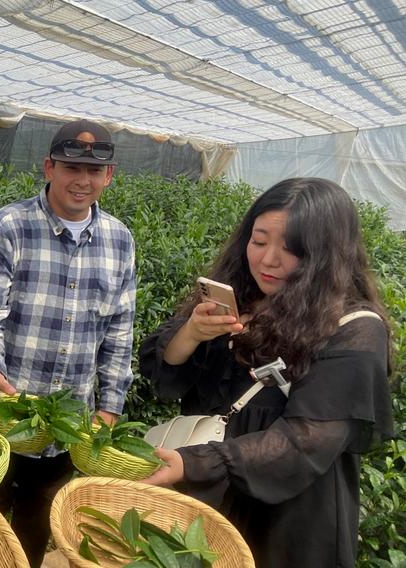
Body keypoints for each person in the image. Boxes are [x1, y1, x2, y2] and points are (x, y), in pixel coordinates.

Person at [138, 178, 394, 567]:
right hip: (212, 502)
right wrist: (192, 332)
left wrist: (197, 464)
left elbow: (304, 442)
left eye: (292, 248)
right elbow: (167, 374)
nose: (268, 260)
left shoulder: (354, 328)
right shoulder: (240, 295)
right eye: (259, 241)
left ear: (327, 255)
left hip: (287, 522)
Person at [0, 119, 136, 566]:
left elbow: (119, 329)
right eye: (71, 167)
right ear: (49, 167)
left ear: (109, 176)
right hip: (3, 417)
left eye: (94, 172)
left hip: (66, 425)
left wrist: (110, 405)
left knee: (38, 522)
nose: (82, 181)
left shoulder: (119, 240)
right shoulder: (9, 227)